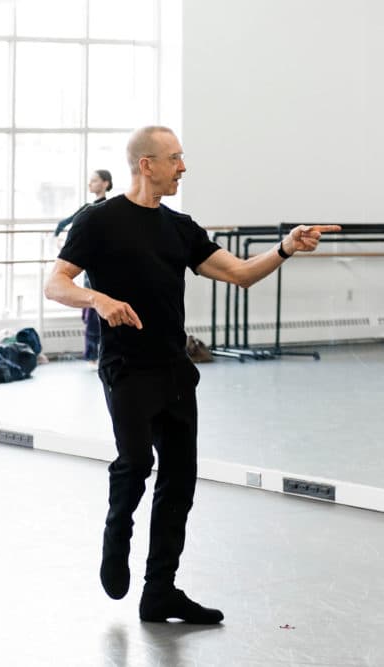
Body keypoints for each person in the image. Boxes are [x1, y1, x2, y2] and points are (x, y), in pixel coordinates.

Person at [44, 126, 338, 624]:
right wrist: (100, 299)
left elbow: (241, 273)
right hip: (127, 369)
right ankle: (117, 536)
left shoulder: (180, 228)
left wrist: (284, 248)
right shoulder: (100, 221)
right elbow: (56, 284)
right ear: (146, 165)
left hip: (175, 371)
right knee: (135, 464)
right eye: (175, 158)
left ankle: (160, 591)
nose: (183, 167)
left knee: (179, 482)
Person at [54, 170, 114, 365]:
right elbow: (63, 224)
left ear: (105, 184)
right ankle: (92, 355)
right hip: (90, 267)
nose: (90, 184)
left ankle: (93, 355)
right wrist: (61, 242)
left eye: (94, 181)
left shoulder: (104, 210)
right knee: (90, 311)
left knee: (94, 312)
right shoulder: (89, 210)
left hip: (99, 268)